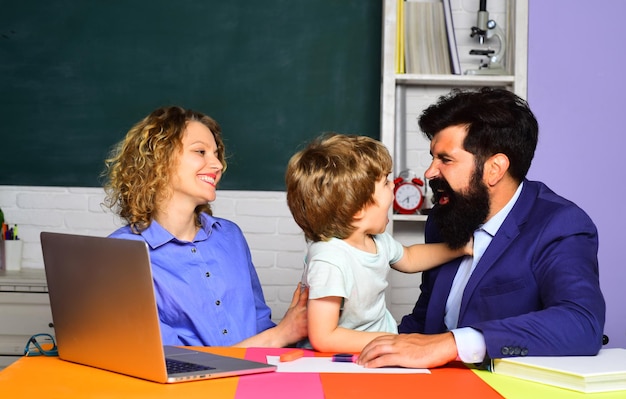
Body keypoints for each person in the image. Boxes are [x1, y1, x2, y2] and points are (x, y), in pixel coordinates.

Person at [357, 87, 606, 369]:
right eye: (432, 157)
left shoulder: (560, 224)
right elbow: (426, 320)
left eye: (445, 159)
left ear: (494, 169)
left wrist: (453, 343)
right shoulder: (443, 219)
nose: (429, 172)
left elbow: (581, 322)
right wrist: (329, 336)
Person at [102, 105, 308, 348]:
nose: (218, 164)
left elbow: (260, 325)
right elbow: (166, 360)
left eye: (216, 153)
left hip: (253, 379)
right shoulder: (122, 253)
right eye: (200, 151)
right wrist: (281, 334)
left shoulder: (230, 236)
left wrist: (298, 327)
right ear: (159, 159)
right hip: (188, 386)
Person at [285, 133, 471, 353]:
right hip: (333, 360)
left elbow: (410, 258)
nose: (393, 186)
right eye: (385, 182)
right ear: (358, 209)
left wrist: (460, 248)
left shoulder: (375, 240)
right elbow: (324, 337)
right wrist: (392, 339)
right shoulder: (329, 259)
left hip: (373, 348)